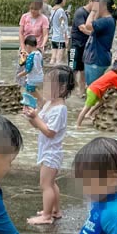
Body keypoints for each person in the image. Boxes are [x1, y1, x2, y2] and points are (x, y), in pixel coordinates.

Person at [23, 65, 74, 225]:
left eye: (49, 84)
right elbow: (39, 125)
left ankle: (46, 216)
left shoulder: (60, 109)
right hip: (46, 151)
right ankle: (55, 210)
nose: (44, 87)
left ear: (62, 87)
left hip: (52, 153)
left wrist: (36, 119)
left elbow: (50, 132)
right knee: (51, 183)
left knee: (45, 184)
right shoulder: (48, 104)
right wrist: (31, 116)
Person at [81, 0, 117, 86]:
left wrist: (93, 11)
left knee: (93, 89)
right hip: (97, 59)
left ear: (104, 7)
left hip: (96, 60)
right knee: (94, 90)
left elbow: (88, 25)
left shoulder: (106, 21)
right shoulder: (108, 20)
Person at [16, 35, 44, 109]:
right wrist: (28, 56)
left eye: (25, 47)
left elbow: (28, 70)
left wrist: (19, 75)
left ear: (28, 46)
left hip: (33, 79)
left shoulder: (31, 56)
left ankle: (39, 104)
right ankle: (35, 105)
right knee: (31, 92)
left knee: (30, 91)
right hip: (40, 77)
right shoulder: (39, 53)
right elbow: (39, 64)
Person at [69, 2, 90, 94]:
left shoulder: (93, 14)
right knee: (72, 68)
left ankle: (81, 91)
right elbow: (82, 28)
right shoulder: (80, 12)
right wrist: (95, 34)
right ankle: (68, 89)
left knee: (82, 69)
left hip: (85, 46)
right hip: (75, 45)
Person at [48, 0, 69, 66]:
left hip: (54, 36)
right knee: (59, 59)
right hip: (61, 37)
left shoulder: (53, 9)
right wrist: (66, 37)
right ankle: (57, 75)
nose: (65, 1)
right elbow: (62, 24)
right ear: (62, 0)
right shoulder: (60, 10)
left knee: (53, 57)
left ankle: (49, 72)